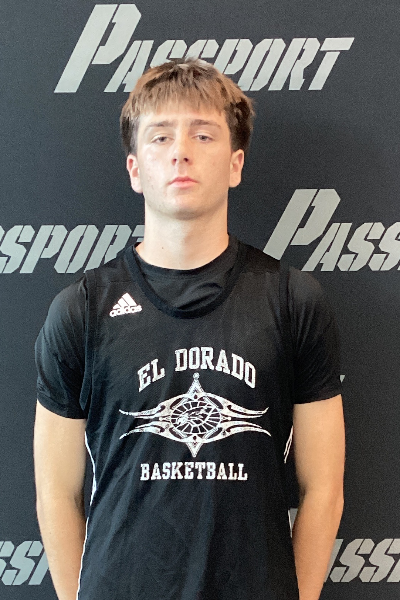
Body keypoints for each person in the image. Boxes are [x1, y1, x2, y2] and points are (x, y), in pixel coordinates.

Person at [34, 58, 345, 600]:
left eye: (203, 134)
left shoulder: (292, 300)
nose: (181, 151)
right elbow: (56, 494)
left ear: (235, 163)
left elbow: (324, 489)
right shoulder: (82, 310)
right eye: (160, 136)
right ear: (135, 169)